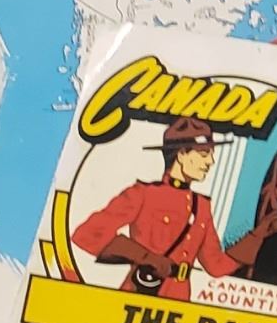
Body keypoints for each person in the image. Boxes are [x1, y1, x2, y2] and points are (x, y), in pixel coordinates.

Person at [72, 117, 254, 301]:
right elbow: (87, 233)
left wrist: (256, 238)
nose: (211, 161)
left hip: (179, 301)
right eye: (204, 154)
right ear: (181, 154)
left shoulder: (202, 206)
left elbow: (215, 265)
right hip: (139, 293)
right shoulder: (143, 194)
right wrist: (146, 257)